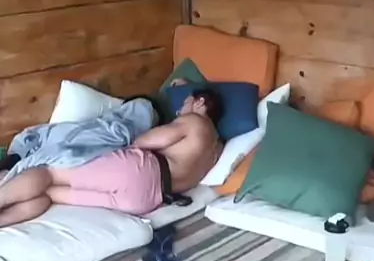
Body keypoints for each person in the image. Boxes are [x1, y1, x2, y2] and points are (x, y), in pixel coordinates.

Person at [0, 88, 223, 228]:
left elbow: (143, 142)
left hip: (139, 171)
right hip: (146, 200)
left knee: (47, 172)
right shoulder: (217, 150)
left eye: (185, 103)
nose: (179, 111)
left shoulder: (195, 122)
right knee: (48, 193)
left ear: (200, 103)